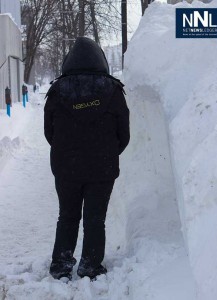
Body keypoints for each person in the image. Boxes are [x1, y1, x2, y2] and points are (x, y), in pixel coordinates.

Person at [44, 37, 130, 281]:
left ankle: (61, 264)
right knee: (95, 218)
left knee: (67, 215)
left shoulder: (57, 91)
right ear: (100, 61)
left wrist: (66, 151)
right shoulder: (113, 90)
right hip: (102, 167)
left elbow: (49, 132)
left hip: (65, 167)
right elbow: (124, 133)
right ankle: (90, 265)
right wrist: (108, 152)